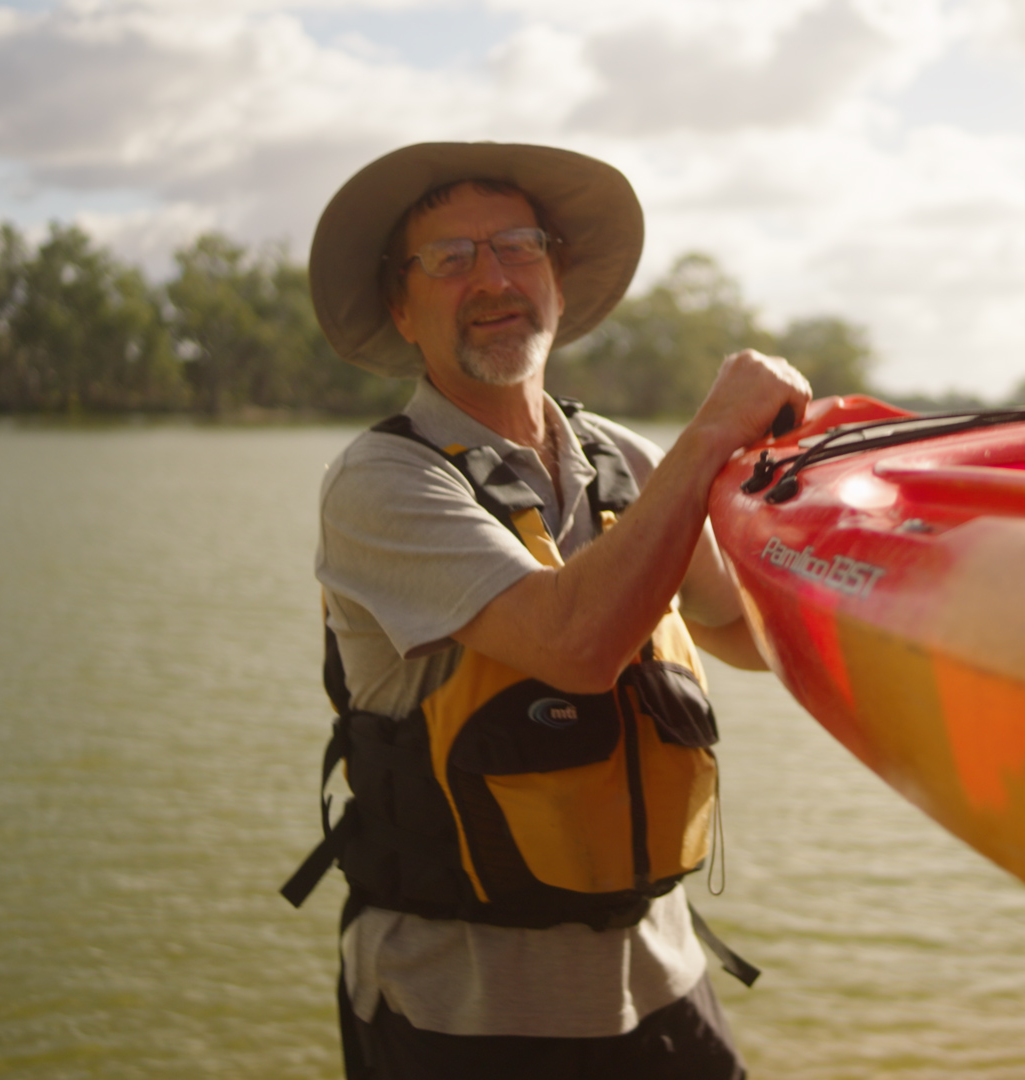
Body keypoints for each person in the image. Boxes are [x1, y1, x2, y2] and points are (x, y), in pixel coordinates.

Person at [281, 142, 810, 1079]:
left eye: (519, 247)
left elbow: (741, 632)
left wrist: (866, 564)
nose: (492, 279)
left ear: (557, 280)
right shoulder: (381, 481)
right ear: (401, 308)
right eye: (450, 259)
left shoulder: (625, 461)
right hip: (462, 1011)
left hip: (661, 977)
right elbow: (575, 645)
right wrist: (710, 435)